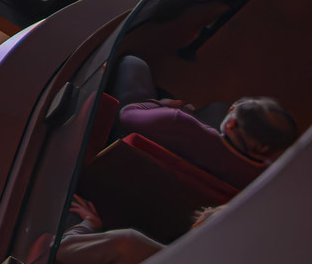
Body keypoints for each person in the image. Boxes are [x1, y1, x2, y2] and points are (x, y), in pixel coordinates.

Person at [110, 55, 296, 189]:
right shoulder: (263, 179)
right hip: (179, 189)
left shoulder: (179, 122)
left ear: (231, 125)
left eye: (232, 110)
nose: (229, 109)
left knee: (133, 64)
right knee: (214, 109)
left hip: (127, 150)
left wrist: (163, 104)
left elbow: (127, 115)